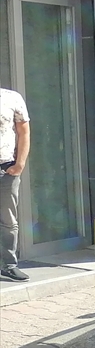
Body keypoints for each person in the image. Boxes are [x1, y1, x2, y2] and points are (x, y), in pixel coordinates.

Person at [0, 88, 31, 282]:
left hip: (6, 169)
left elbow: (24, 132)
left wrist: (20, 163)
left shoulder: (12, 97)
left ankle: (8, 266)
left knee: (8, 220)